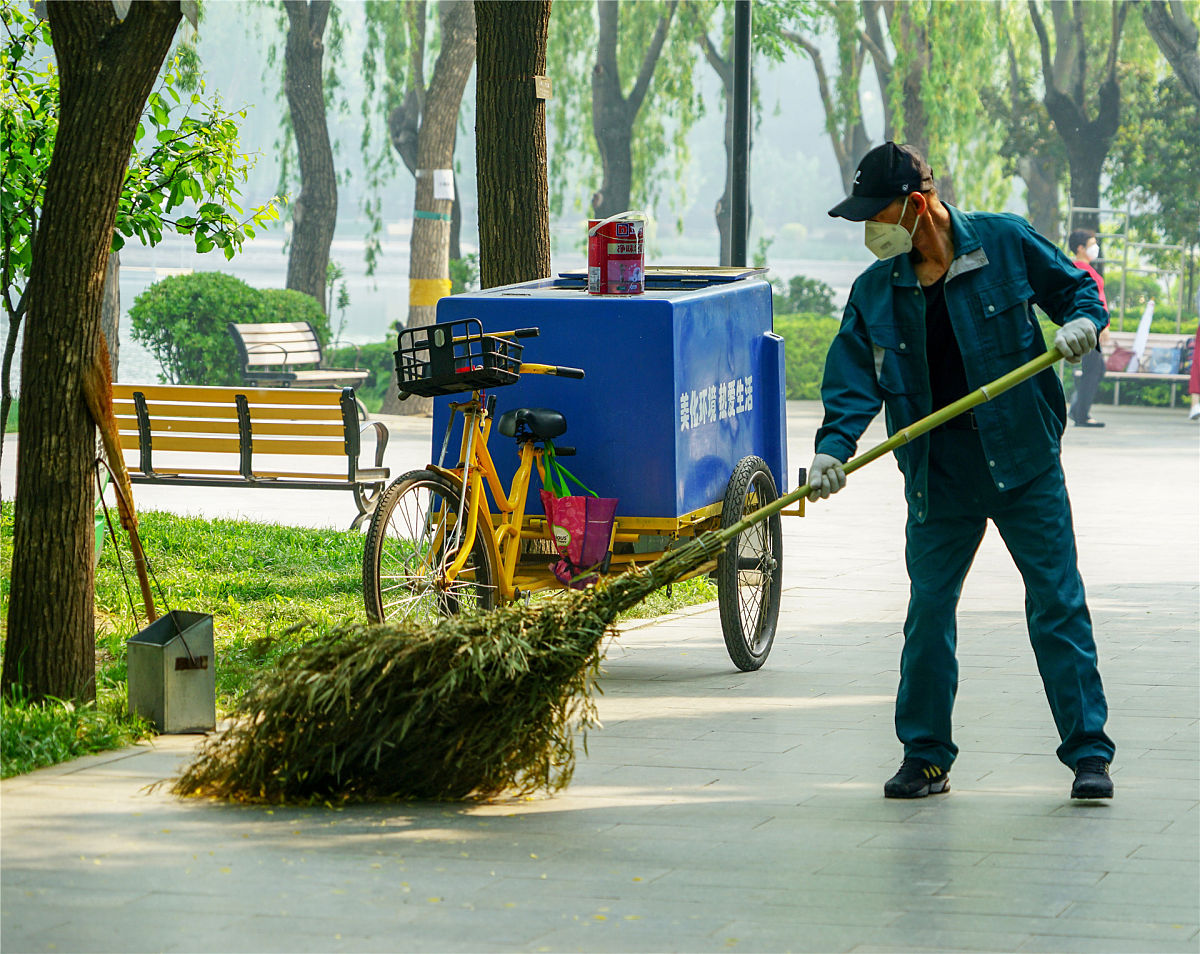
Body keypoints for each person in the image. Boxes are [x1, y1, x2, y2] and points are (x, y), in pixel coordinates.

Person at [810, 142, 1115, 800]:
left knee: (1057, 604)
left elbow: (1077, 290)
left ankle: (1088, 753)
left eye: (879, 214)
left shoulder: (1003, 243)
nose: (871, 231)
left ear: (918, 206)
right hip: (938, 474)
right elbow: (853, 378)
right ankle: (925, 755)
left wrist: (1083, 322)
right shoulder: (876, 292)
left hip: (1024, 464)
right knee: (927, 614)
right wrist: (833, 448)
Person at [1066, 229, 1111, 427]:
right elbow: (1089, 300)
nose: (1096, 248)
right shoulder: (1078, 269)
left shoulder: (1087, 269)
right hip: (1090, 326)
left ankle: (1078, 410)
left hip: (1094, 325)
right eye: (1092, 243)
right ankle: (1082, 415)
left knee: (1097, 369)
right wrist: (1100, 326)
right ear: (1080, 248)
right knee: (1092, 369)